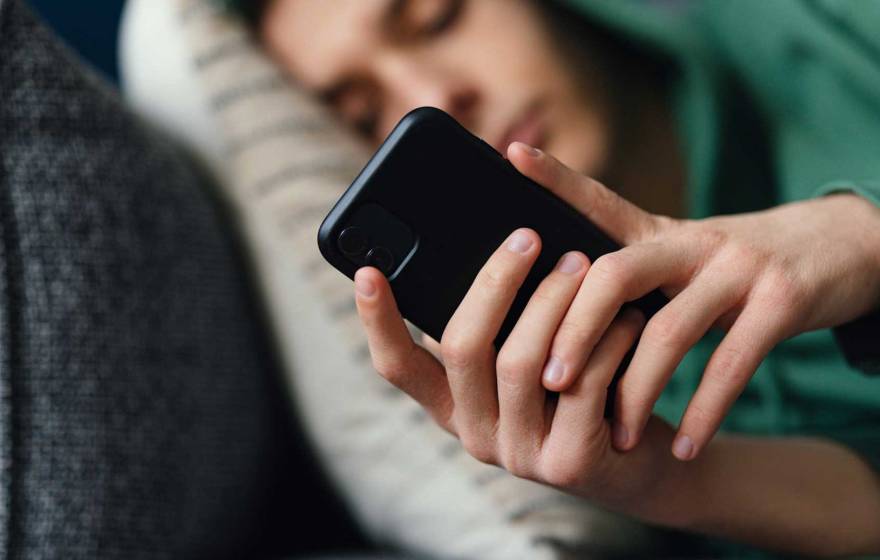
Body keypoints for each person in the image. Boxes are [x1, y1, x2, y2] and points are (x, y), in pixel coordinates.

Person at [227, 0, 880, 556]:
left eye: (437, 18)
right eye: (367, 116)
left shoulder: (818, 27)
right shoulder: (619, 397)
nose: (434, 95)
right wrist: (678, 488)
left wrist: (860, 233)